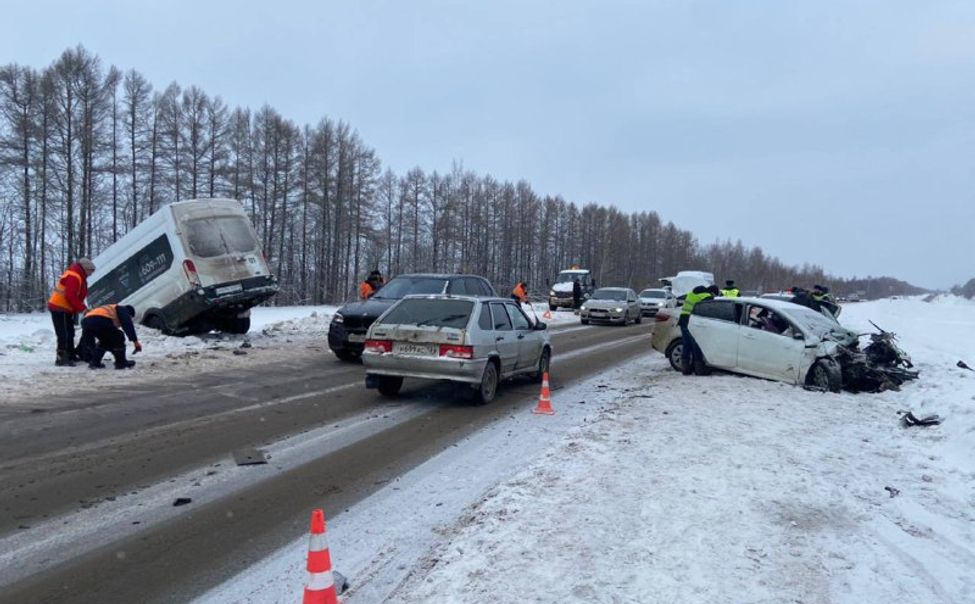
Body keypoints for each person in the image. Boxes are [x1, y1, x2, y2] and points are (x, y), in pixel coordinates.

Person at [47, 257, 95, 366]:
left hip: (65, 308)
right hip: (60, 307)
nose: (91, 274)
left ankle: (70, 354)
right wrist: (83, 309)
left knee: (70, 333)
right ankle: (61, 358)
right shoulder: (75, 276)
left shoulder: (77, 275)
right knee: (64, 334)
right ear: (85, 268)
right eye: (90, 271)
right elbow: (71, 296)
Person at [80, 304, 142, 369]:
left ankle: (95, 362)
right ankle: (121, 363)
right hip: (98, 320)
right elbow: (128, 325)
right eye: (130, 317)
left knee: (106, 341)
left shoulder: (111, 310)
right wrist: (135, 342)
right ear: (129, 313)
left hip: (86, 321)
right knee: (119, 336)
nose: (130, 319)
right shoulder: (123, 310)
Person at [679, 285, 714, 375]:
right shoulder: (706, 296)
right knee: (696, 345)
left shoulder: (691, 294)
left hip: (683, 320)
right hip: (692, 322)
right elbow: (709, 310)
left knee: (687, 345)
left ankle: (685, 370)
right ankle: (699, 370)